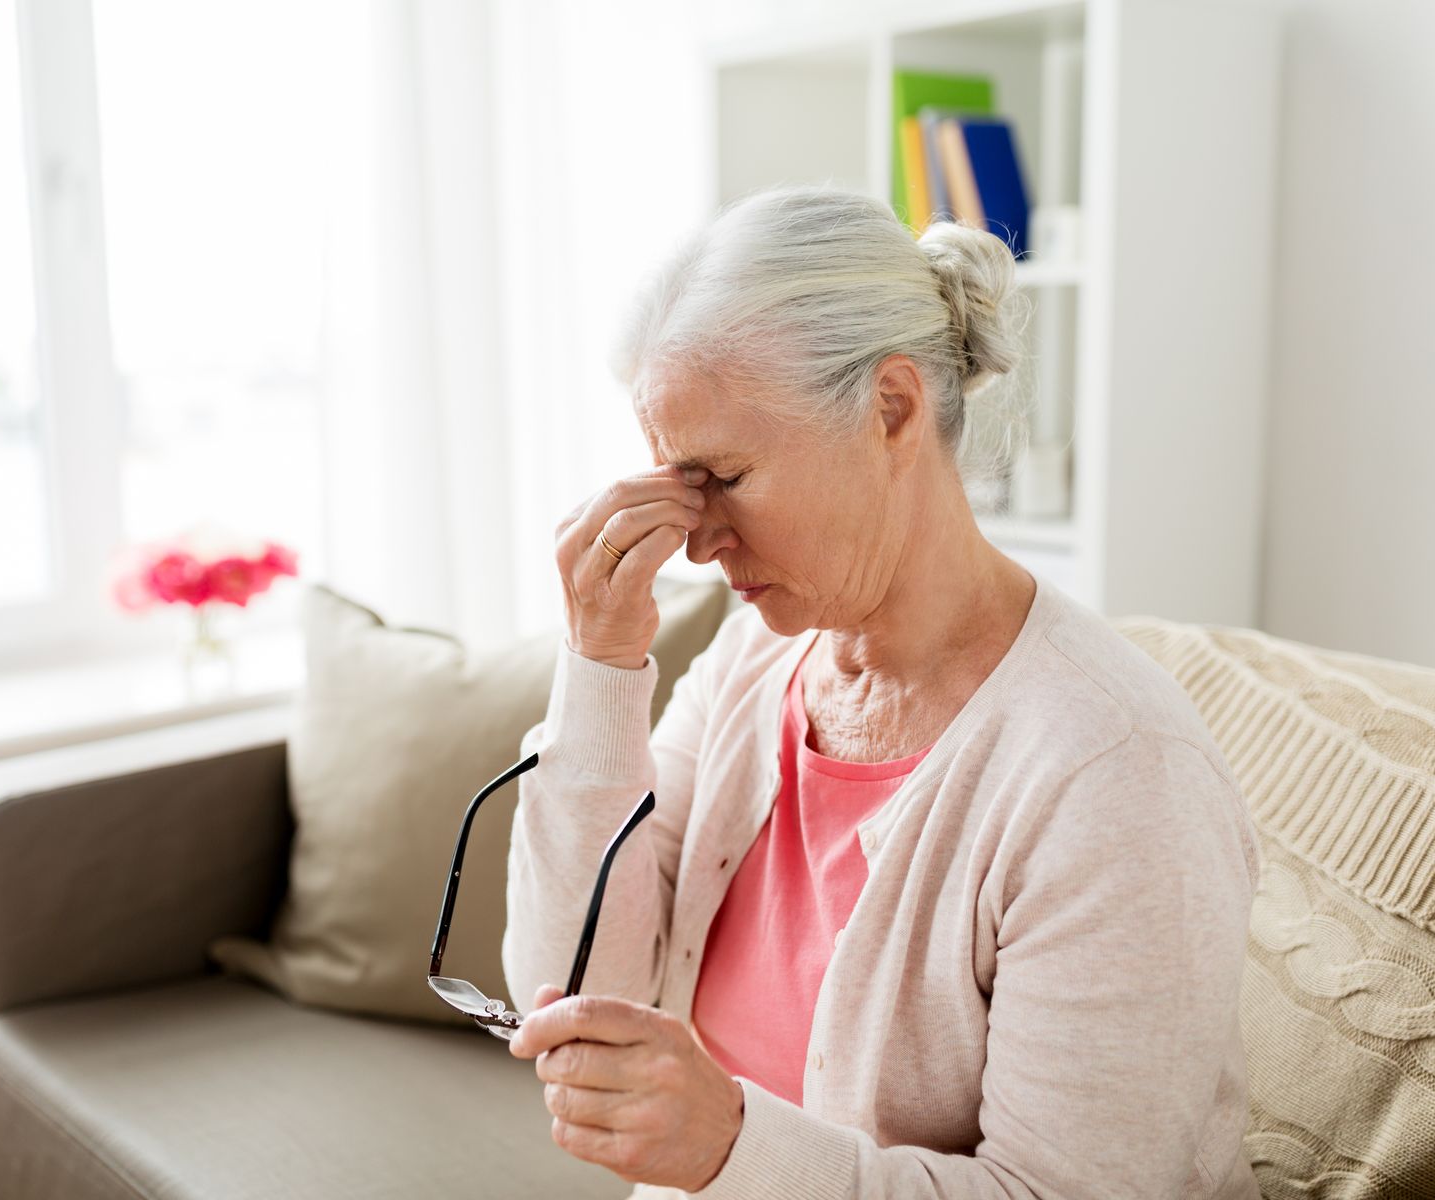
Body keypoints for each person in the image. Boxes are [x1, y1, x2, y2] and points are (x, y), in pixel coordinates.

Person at [500, 185, 1261, 1198]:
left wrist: (731, 1146)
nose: (693, 537)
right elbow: (575, 994)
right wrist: (598, 669)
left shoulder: (1114, 774)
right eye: (675, 485)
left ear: (891, 409)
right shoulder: (746, 668)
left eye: (721, 474)